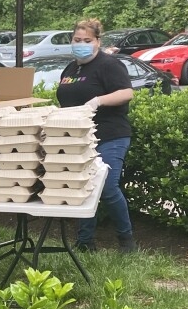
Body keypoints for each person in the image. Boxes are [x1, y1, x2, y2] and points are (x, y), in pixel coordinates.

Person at [56, 18, 136, 253]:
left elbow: (127, 92)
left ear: (97, 42)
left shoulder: (109, 64)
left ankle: (127, 242)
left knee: (108, 187)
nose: (81, 44)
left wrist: (98, 101)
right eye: (77, 40)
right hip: (78, 139)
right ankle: (85, 242)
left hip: (110, 135)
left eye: (87, 40)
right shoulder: (71, 68)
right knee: (83, 188)